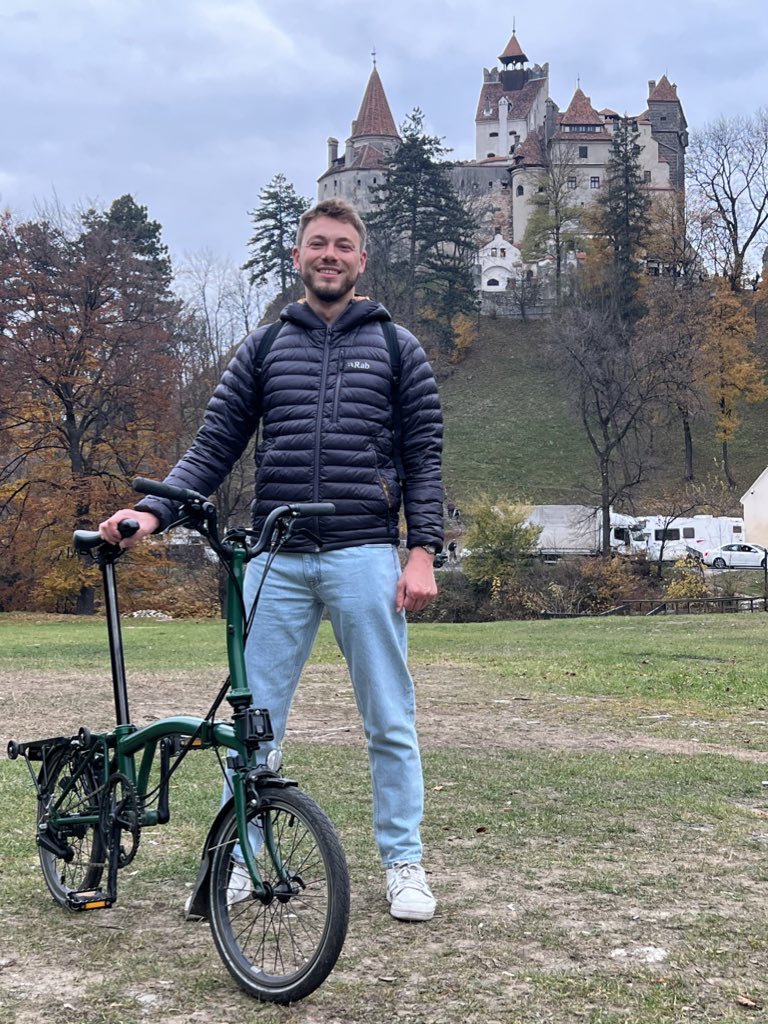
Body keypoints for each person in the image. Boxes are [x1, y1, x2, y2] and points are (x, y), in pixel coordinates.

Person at [99, 198, 444, 922]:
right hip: (275, 561)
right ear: (297, 258)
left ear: (361, 260)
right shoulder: (263, 348)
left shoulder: (397, 348)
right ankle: (242, 854)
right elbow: (215, 442)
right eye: (316, 243)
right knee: (254, 725)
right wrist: (153, 511)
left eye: (342, 245)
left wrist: (423, 552)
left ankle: (403, 863)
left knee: (390, 719)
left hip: (366, 555)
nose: (329, 255)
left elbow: (426, 461)